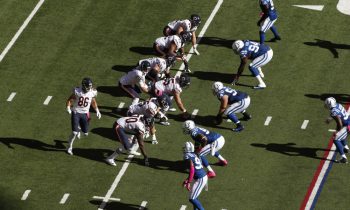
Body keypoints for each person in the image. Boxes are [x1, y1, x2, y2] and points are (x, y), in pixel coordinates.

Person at [66, 77, 101, 155]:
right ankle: (69, 147)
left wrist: (97, 111)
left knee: (85, 133)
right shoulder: (78, 91)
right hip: (76, 112)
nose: (90, 88)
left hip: (85, 113)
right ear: (84, 85)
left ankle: (78, 129)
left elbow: (93, 101)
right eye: (88, 86)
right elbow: (70, 100)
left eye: (90, 86)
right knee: (74, 133)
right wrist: (68, 108)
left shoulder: (92, 92)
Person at [182, 141, 207, 210]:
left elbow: (192, 169)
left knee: (192, 198)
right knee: (194, 197)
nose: (183, 149)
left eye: (184, 148)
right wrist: (187, 180)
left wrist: (189, 182)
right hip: (200, 176)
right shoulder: (194, 154)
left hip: (200, 178)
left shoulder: (187, 156)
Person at [324, 97, 350, 163]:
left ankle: (343, 158)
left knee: (336, 139)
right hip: (347, 122)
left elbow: (340, 123)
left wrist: (337, 131)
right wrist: (330, 118)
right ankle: (346, 148)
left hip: (346, 126)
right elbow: (336, 113)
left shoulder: (333, 111)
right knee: (341, 135)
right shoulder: (338, 104)